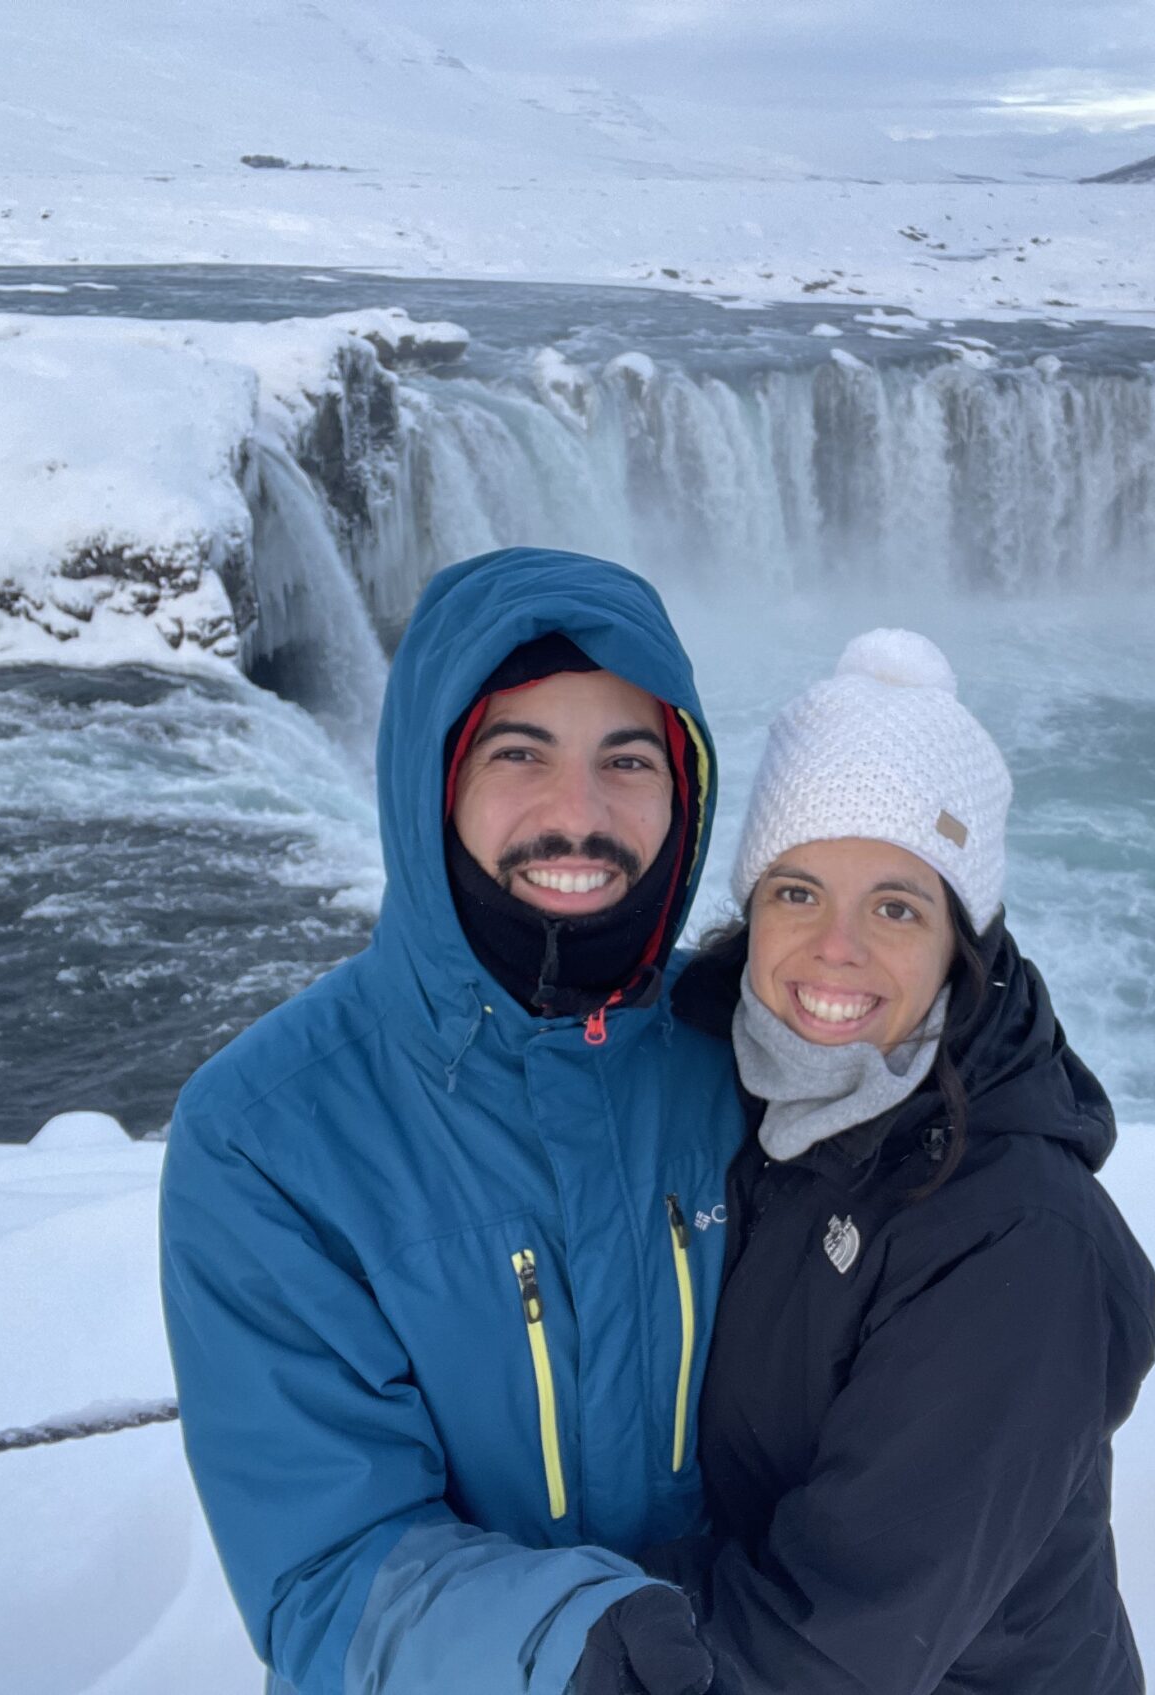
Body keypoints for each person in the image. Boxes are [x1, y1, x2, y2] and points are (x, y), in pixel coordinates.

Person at [161, 548, 741, 1695]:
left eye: (626, 759)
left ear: (684, 792)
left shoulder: (747, 1058)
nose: (577, 816)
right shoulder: (269, 1138)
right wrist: (563, 1643)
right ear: (432, 780)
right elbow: (324, 1571)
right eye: (518, 753)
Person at [651, 629, 1155, 1694]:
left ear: (959, 946)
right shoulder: (716, 1090)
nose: (836, 947)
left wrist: (542, 1632)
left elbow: (832, 1647)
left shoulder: (1016, 1235)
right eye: (797, 892)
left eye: (895, 906)